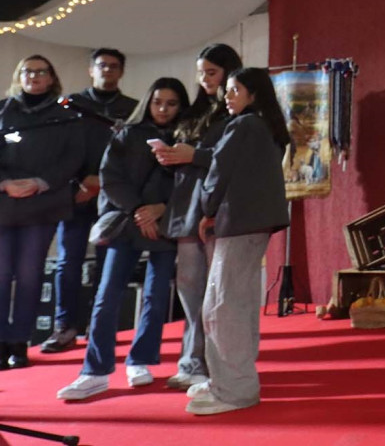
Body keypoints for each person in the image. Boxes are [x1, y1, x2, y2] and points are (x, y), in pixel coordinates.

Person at [57, 78, 191, 400]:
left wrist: (162, 210)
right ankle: (94, 371)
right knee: (107, 295)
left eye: (171, 103)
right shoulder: (128, 133)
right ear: (147, 102)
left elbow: (190, 184)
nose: (163, 109)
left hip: (166, 224)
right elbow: (110, 178)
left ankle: (140, 360)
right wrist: (139, 211)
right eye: (157, 102)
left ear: (181, 107)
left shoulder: (186, 139)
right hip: (127, 223)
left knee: (156, 297)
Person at [185, 67, 289, 415]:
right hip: (253, 225)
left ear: (253, 94)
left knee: (221, 307)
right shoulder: (266, 127)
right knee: (237, 304)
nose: (226, 97)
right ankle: (229, 379)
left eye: (234, 90)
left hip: (239, 224)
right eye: (227, 90)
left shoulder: (244, 125)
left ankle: (234, 389)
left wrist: (208, 209)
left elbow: (219, 170)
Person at [154, 43, 242, 390]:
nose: (205, 79)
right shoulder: (194, 111)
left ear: (228, 72)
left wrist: (195, 156)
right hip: (186, 205)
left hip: (217, 206)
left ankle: (216, 365)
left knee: (217, 293)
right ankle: (192, 361)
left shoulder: (237, 112)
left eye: (211, 72)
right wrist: (170, 156)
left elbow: (235, 159)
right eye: (201, 73)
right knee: (190, 289)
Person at [41, 48, 138, 354]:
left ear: (121, 72)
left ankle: (100, 327)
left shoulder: (133, 109)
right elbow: (57, 151)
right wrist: (80, 181)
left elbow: (135, 156)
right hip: (76, 194)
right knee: (68, 262)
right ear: (91, 70)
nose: (107, 70)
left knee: (108, 265)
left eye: (113, 66)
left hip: (114, 198)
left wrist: (104, 183)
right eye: (102, 65)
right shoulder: (70, 104)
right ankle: (65, 327)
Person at [0, 56, 84, 370]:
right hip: (4, 200)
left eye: (41, 72)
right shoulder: (3, 110)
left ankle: (19, 341)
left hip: (43, 203)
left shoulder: (66, 115)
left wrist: (40, 182)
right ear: (18, 76)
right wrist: (5, 183)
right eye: (28, 71)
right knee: (0, 274)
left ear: (51, 78)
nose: (34, 77)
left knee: (29, 275)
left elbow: (74, 157)